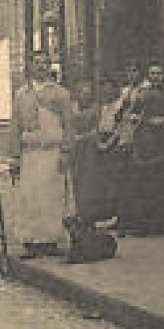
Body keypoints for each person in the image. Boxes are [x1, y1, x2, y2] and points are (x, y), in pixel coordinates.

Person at [9, 61, 74, 257]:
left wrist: (66, 151)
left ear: (49, 68)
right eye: (36, 64)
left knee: (51, 197)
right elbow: (15, 127)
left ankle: (50, 240)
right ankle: (31, 241)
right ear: (30, 68)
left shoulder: (61, 94)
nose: (40, 67)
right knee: (30, 197)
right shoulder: (21, 95)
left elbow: (69, 125)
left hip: (52, 152)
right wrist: (15, 156)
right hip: (30, 153)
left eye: (44, 64)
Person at [116, 63, 164, 236]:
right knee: (145, 184)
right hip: (146, 143)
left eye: (159, 73)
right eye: (152, 74)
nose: (155, 77)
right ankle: (145, 224)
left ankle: (163, 223)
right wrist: (134, 118)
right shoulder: (142, 95)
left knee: (163, 183)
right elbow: (131, 113)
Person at [68, 78, 112, 226]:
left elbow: (96, 131)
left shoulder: (95, 109)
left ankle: (88, 213)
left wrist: (81, 137)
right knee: (76, 177)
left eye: (88, 93)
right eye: (82, 92)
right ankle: (77, 210)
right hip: (75, 148)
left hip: (89, 147)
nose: (85, 96)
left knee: (89, 179)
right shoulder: (72, 108)